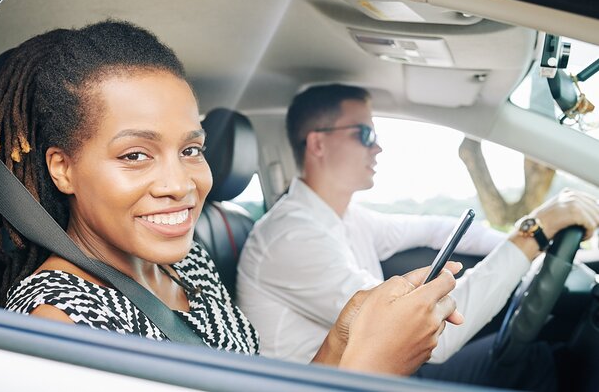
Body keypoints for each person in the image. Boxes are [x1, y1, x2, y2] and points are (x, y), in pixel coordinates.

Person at [0, 21, 463, 375]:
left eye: (190, 149)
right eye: (136, 155)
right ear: (64, 169)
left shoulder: (187, 266)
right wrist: (371, 368)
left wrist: (344, 337)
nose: (181, 184)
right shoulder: (57, 326)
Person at [236, 84, 599, 389]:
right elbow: (419, 336)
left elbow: (438, 229)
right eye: (365, 134)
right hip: (347, 384)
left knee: (534, 358)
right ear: (317, 144)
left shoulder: (344, 218)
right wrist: (530, 236)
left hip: (376, 376)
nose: (377, 148)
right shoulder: (292, 238)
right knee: (536, 364)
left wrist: (535, 247)